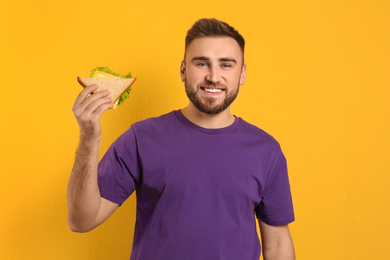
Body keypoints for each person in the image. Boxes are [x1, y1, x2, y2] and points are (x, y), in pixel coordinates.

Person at [67, 18, 295, 260]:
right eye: (201, 63)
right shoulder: (141, 138)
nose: (214, 77)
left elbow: (278, 244)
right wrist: (89, 139)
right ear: (183, 71)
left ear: (242, 73)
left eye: (226, 64)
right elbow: (81, 221)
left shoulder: (266, 150)